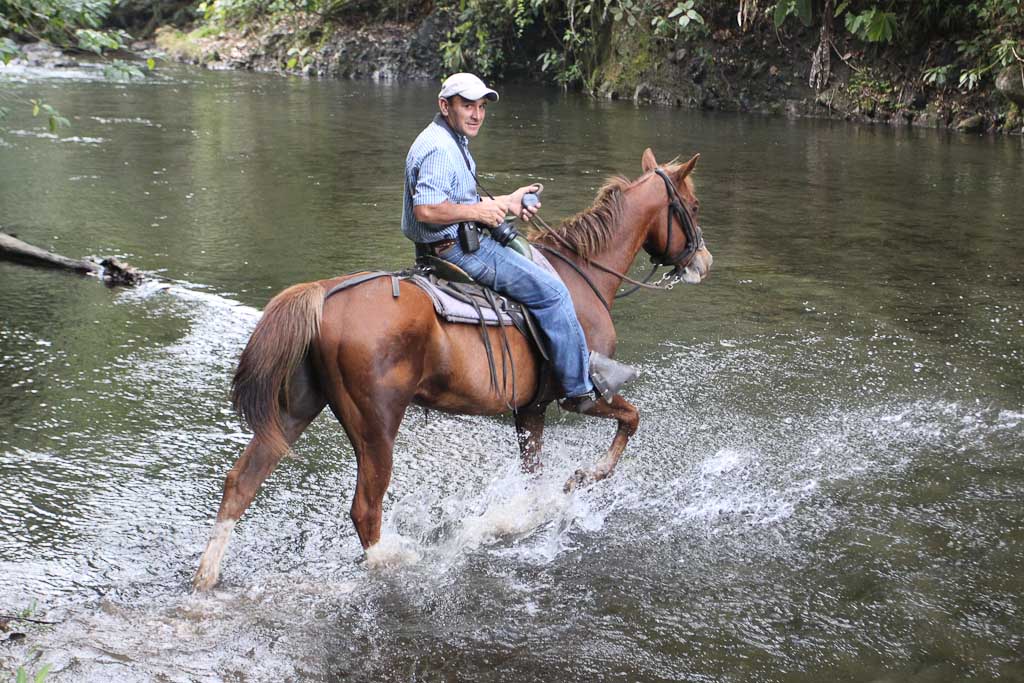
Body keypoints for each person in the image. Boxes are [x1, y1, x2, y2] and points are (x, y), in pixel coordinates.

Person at [401, 72, 636, 405]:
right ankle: (578, 390)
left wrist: (505, 202)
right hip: (457, 249)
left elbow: (457, 199)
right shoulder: (440, 148)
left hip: (446, 241)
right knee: (554, 292)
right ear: (445, 105)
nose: (476, 114)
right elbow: (426, 209)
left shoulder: (446, 139)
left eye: (481, 107)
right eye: (467, 105)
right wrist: (479, 214)